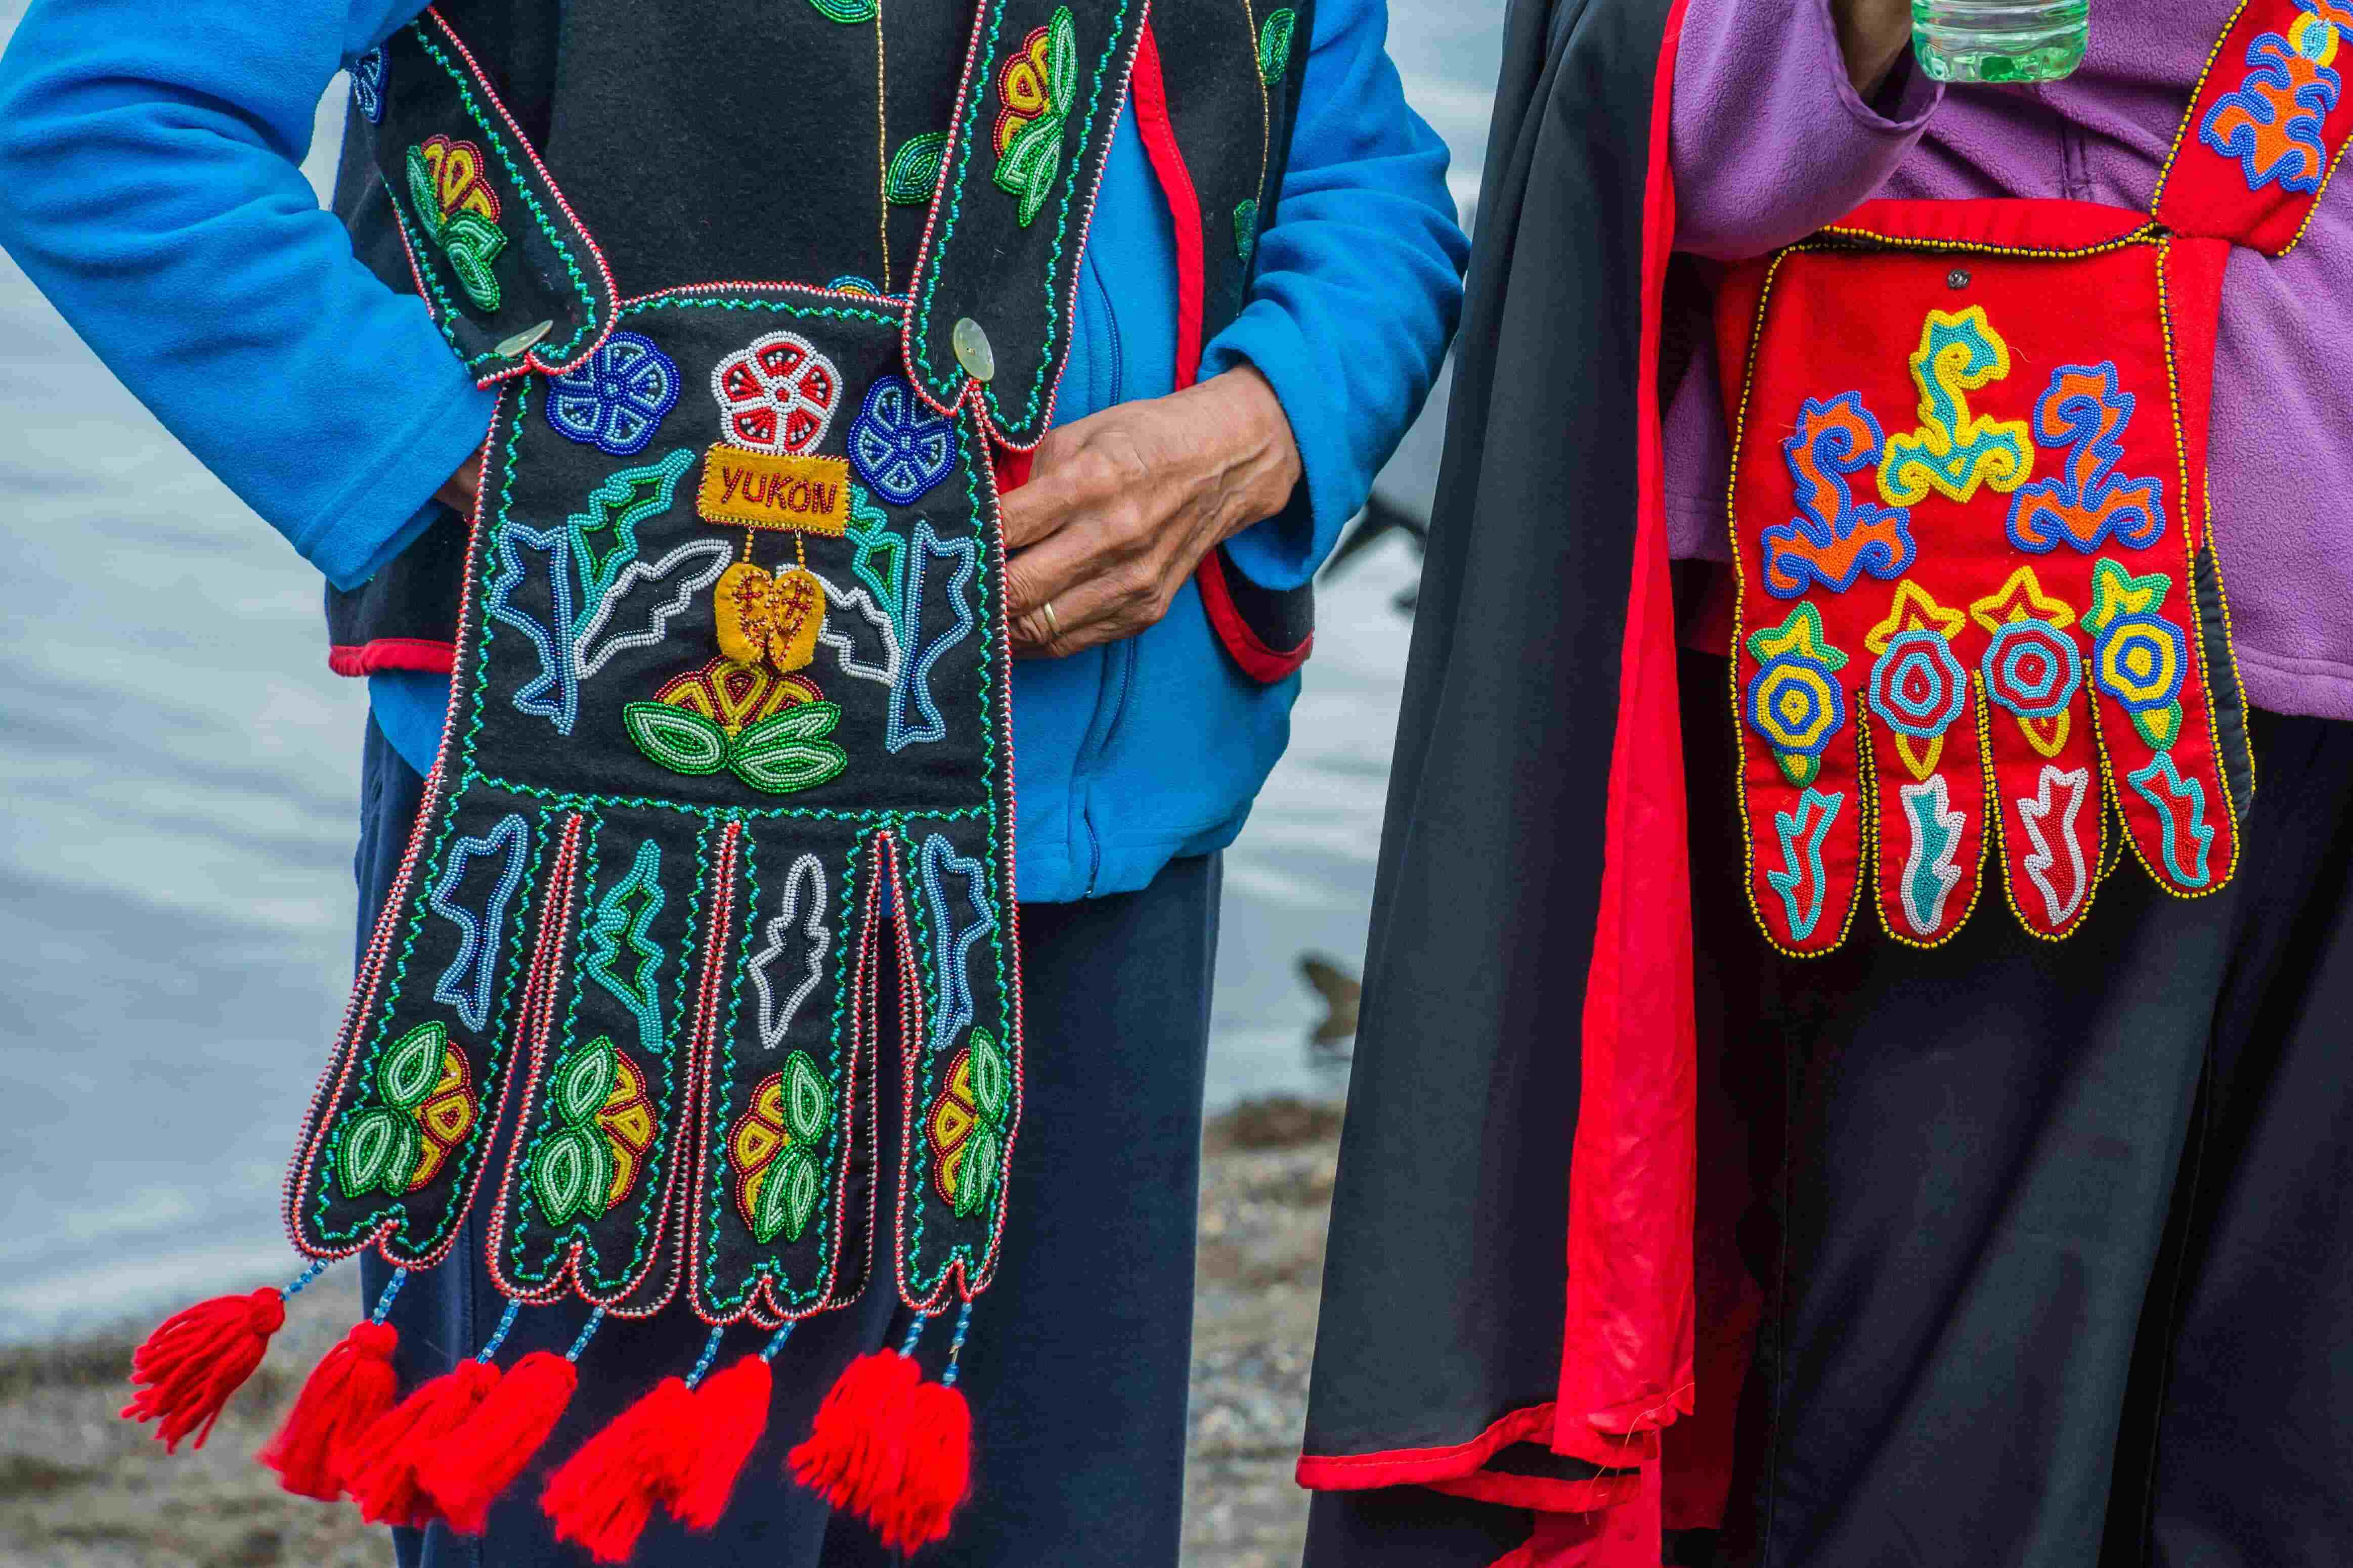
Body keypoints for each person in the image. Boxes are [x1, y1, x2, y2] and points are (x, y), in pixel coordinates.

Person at [0, 0, 1465, 1561]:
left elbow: (1362, 182)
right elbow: (110, 117)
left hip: (1111, 837)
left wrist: (1258, 429)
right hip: (621, 854)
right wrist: (521, 475)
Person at [1301, 0, 2353, 1564]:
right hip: (1997, 664)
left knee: (2286, 1443)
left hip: (2284, 625)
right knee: (1954, 1442)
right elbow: (1698, 138)